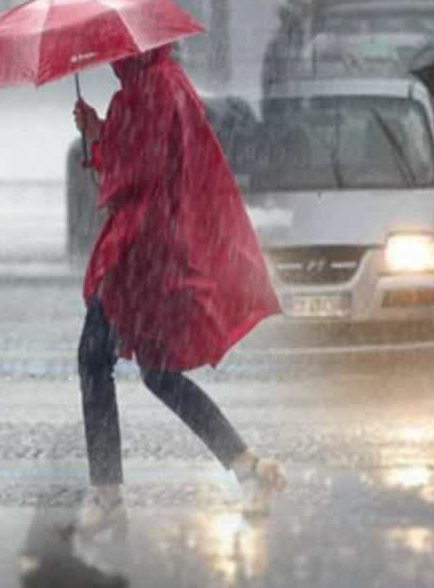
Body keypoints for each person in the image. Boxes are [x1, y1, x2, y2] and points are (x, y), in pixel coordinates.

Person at [71, 46, 285, 538]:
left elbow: (138, 171)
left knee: (95, 359)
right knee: (158, 374)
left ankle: (107, 497)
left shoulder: (156, 88)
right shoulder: (158, 84)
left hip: (144, 252)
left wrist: (102, 136)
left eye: (117, 48)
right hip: (153, 248)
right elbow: (142, 161)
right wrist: (101, 132)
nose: (110, 57)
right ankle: (251, 469)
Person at [261, 0, 308, 96]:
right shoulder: (277, 41)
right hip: (282, 93)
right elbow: (269, 73)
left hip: (289, 92)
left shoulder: (305, 39)